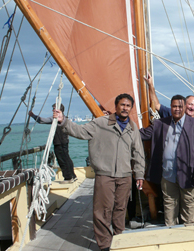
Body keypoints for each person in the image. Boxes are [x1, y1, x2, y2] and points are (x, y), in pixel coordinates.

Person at [54, 94, 145, 251]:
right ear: (116, 106)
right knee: (102, 211)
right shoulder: (100, 123)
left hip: (124, 176)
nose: (125, 108)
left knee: (120, 209)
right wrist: (64, 121)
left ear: (131, 108)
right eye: (122, 105)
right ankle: (104, 245)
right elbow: (80, 132)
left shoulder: (132, 127)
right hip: (105, 175)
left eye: (128, 105)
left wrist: (140, 174)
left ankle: (118, 238)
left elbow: (138, 152)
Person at [144, 73, 194, 229]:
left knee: (188, 206)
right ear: (170, 108)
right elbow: (143, 134)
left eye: (180, 106)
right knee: (169, 207)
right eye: (174, 106)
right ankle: (171, 233)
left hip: (188, 174)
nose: (177, 109)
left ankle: (188, 234)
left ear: (184, 107)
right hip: (167, 174)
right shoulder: (161, 123)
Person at [29, 103, 76, 183]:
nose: (52, 110)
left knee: (62, 160)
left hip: (59, 142)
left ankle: (68, 178)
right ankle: (73, 176)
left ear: (58, 109)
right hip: (64, 141)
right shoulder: (65, 118)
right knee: (67, 158)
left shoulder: (55, 118)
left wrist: (32, 115)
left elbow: (41, 120)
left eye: (54, 108)